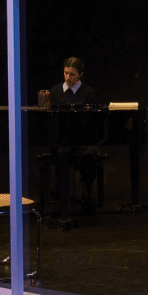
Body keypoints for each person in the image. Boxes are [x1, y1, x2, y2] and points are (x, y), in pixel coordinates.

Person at [48, 57, 99, 224]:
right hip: (62, 142)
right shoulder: (55, 91)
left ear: (80, 74)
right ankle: (62, 201)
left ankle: (87, 194)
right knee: (63, 154)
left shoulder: (88, 92)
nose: (68, 77)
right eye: (65, 73)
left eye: (72, 74)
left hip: (82, 142)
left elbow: (93, 122)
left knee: (89, 155)